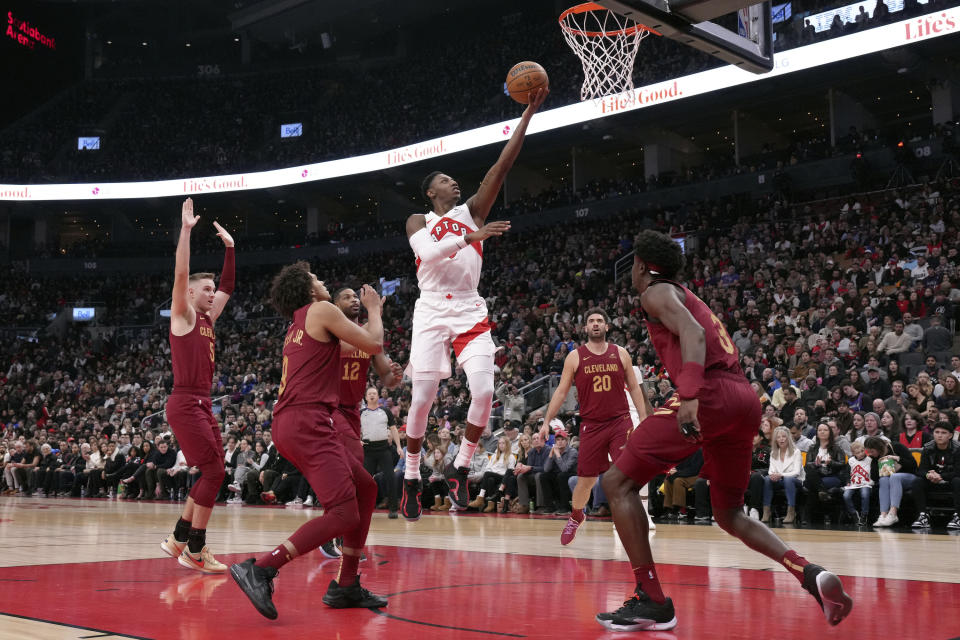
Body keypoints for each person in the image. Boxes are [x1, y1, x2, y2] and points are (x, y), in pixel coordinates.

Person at [596, 230, 851, 632]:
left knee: (617, 483)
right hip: (742, 398)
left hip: (710, 395)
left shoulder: (655, 293)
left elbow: (694, 335)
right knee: (729, 512)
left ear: (642, 266)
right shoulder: (684, 293)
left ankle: (652, 599)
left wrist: (692, 395)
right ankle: (809, 573)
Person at [400, 87, 549, 521]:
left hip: (468, 307)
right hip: (430, 310)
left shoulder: (474, 210)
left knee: (484, 391)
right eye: (444, 180)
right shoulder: (418, 220)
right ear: (430, 192)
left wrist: (527, 115)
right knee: (423, 397)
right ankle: (411, 476)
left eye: (453, 180)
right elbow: (428, 255)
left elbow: (504, 163)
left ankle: (461, 467)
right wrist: (469, 238)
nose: (453, 183)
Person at [230, 262, 386, 620]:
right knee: (344, 512)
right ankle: (262, 568)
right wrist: (375, 310)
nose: (322, 281)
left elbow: (354, 353)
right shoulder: (321, 309)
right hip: (307, 420)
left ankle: (346, 585)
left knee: (365, 490)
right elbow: (372, 343)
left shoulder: (300, 324)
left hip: (294, 421)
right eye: (316, 278)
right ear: (308, 289)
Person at [159, 198, 236, 574]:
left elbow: (228, 286)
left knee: (214, 470)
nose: (211, 293)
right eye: (205, 289)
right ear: (190, 294)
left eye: (211, 289)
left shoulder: (208, 318)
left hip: (203, 403)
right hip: (186, 402)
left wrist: (231, 249)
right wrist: (186, 231)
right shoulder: (184, 314)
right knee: (214, 473)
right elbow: (180, 274)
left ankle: (178, 537)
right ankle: (195, 549)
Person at [541, 308, 650, 545]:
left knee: (625, 473)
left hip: (620, 422)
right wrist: (546, 421)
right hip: (591, 425)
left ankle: (628, 519)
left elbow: (634, 388)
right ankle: (577, 515)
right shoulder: (575, 357)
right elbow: (561, 391)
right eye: (591, 321)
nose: (596, 324)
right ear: (586, 328)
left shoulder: (620, 354)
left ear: (607, 327)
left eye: (600, 320)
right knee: (586, 480)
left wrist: (643, 420)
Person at [332, 287, 404, 465]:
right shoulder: (329, 332)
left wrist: (395, 377)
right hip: (330, 407)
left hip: (353, 410)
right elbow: (369, 341)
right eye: (347, 297)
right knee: (351, 457)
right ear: (335, 305)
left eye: (356, 297)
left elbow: (386, 378)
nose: (354, 300)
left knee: (351, 464)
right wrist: (373, 315)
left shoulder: (368, 335)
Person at [360, 387, 403, 519]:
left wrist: (399, 447)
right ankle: (363, 509)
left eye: (374, 393)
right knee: (365, 481)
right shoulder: (361, 413)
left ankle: (393, 509)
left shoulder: (385, 411)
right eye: (369, 394)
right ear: (366, 397)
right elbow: (353, 428)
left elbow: (394, 429)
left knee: (391, 478)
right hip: (368, 450)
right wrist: (357, 440)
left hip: (384, 449)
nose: (372, 395)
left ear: (378, 396)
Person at [911, 422, 960, 530]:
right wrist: (928, 475)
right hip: (933, 481)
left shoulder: (957, 449)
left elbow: (958, 471)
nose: (939, 435)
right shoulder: (928, 448)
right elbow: (920, 470)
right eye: (937, 432)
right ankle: (923, 516)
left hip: (950, 480)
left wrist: (941, 476)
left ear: (950, 435)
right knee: (917, 481)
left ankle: (958, 517)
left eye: (943, 433)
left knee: (958, 481)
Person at [864, 436, 918, 527]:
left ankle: (893, 513)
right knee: (883, 479)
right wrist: (880, 466)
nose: (870, 454)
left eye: (872, 451)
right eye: (868, 452)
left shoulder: (897, 447)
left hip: (909, 477)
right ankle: (883, 515)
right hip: (892, 480)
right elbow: (874, 477)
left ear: (879, 448)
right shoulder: (875, 457)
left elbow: (913, 465)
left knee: (894, 477)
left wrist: (897, 458)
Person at [842, 441, 873, 526]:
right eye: (858, 453)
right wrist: (847, 481)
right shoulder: (851, 461)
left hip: (866, 483)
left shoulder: (870, 460)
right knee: (846, 496)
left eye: (862, 451)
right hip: (853, 484)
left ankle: (864, 515)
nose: (861, 454)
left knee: (865, 494)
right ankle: (853, 514)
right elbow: (847, 472)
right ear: (853, 453)